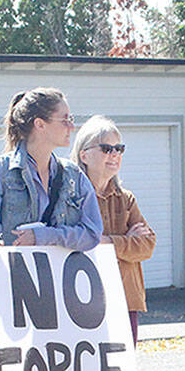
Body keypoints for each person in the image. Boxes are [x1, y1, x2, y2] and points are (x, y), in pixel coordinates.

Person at [0, 88, 103, 257]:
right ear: (40, 124)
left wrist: (45, 236)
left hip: (61, 282)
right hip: (12, 280)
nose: (72, 127)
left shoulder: (74, 175)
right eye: (65, 120)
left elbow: (92, 234)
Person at [70, 116, 155, 344]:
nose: (115, 155)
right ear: (84, 155)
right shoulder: (70, 199)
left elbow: (147, 246)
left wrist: (108, 242)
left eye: (119, 149)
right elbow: (74, 242)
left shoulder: (126, 199)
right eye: (107, 148)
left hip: (126, 300)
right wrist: (126, 241)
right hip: (83, 300)